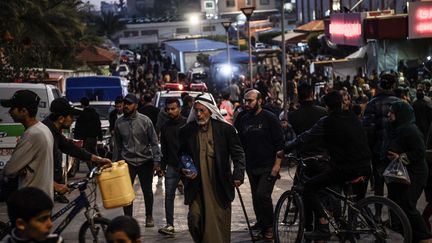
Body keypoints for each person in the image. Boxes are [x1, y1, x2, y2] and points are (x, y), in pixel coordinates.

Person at [278, 91, 372, 241]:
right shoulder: (353, 118)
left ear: (327, 107)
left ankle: (322, 226)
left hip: (345, 168)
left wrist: (284, 150)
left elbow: (305, 137)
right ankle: (353, 226)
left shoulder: (326, 121)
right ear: (342, 103)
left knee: (309, 187)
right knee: (348, 198)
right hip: (366, 165)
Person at [179, 93, 245, 243]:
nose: (198, 114)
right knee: (194, 220)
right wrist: (182, 169)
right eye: (196, 110)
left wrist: (238, 174)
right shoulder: (186, 131)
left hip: (219, 185)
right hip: (196, 187)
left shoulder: (225, 130)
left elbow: (238, 154)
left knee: (219, 226)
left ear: (210, 110)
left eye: (202, 110)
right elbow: (180, 156)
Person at [235, 89, 284, 240]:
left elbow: (280, 143)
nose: (247, 104)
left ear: (260, 101)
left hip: (268, 165)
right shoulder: (243, 119)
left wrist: (277, 165)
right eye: (245, 101)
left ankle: (269, 226)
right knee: (256, 198)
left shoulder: (269, 118)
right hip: (252, 165)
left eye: (250, 100)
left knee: (263, 195)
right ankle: (262, 225)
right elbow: (239, 143)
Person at [42, 98, 112, 203]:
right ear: (61, 119)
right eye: (71, 116)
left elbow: (71, 148)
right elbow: (37, 166)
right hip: (37, 192)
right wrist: (54, 185)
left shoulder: (54, 131)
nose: (73, 120)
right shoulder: (45, 133)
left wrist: (98, 159)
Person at [113, 93, 162, 227]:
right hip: (127, 162)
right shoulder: (119, 123)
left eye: (129, 104)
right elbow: (117, 145)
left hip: (145, 161)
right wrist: (115, 163)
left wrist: (157, 162)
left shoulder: (145, 121)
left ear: (136, 105)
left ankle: (149, 216)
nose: (126, 106)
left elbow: (154, 142)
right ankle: (128, 219)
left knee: (147, 190)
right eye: (125, 104)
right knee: (126, 192)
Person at [387, 101, 432, 243]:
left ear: (401, 114)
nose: (389, 115)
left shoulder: (410, 130)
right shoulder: (398, 128)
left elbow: (420, 151)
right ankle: (411, 235)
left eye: (392, 112)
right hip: (403, 173)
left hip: (416, 173)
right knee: (399, 205)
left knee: (408, 205)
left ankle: (425, 237)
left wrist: (401, 157)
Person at [1, 90, 54, 199]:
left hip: (31, 201)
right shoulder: (44, 129)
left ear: (24, 111)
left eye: (13, 108)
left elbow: (10, 170)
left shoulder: (32, 134)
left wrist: (18, 169)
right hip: (43, 197)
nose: (10, 112)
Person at [363, 74, 399, 203]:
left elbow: (368, 129)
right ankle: (394, 217)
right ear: (393, 85)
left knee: (378, 183)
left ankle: (377, 215)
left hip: (377, 150)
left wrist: (370, 149)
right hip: (395, 151)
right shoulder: (399, 103)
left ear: (379, 85)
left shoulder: (372, 103)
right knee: (394, 185)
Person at [158, 98, 187, 235]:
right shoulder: (165, 126)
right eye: (168, 109)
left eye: (173, 108)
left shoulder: (187, 124)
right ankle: (170, 225)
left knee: (192, 195)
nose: (170, 111)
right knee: (169, 195)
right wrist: (161, 166)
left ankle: (197, 222)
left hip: (188, 166)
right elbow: (164, 147)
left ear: (179, 109)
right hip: (172, 166)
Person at [74, 97, 102, 170]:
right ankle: (99, 165)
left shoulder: (82, 115)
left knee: (87, 154)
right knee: (94, 151)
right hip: (94, 137)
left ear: (82, 104)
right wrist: (100, 136)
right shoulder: (95, 114)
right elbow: (99, 125)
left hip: (85, 138)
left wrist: (77, 137)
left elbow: (79, 128)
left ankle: (91, 169)